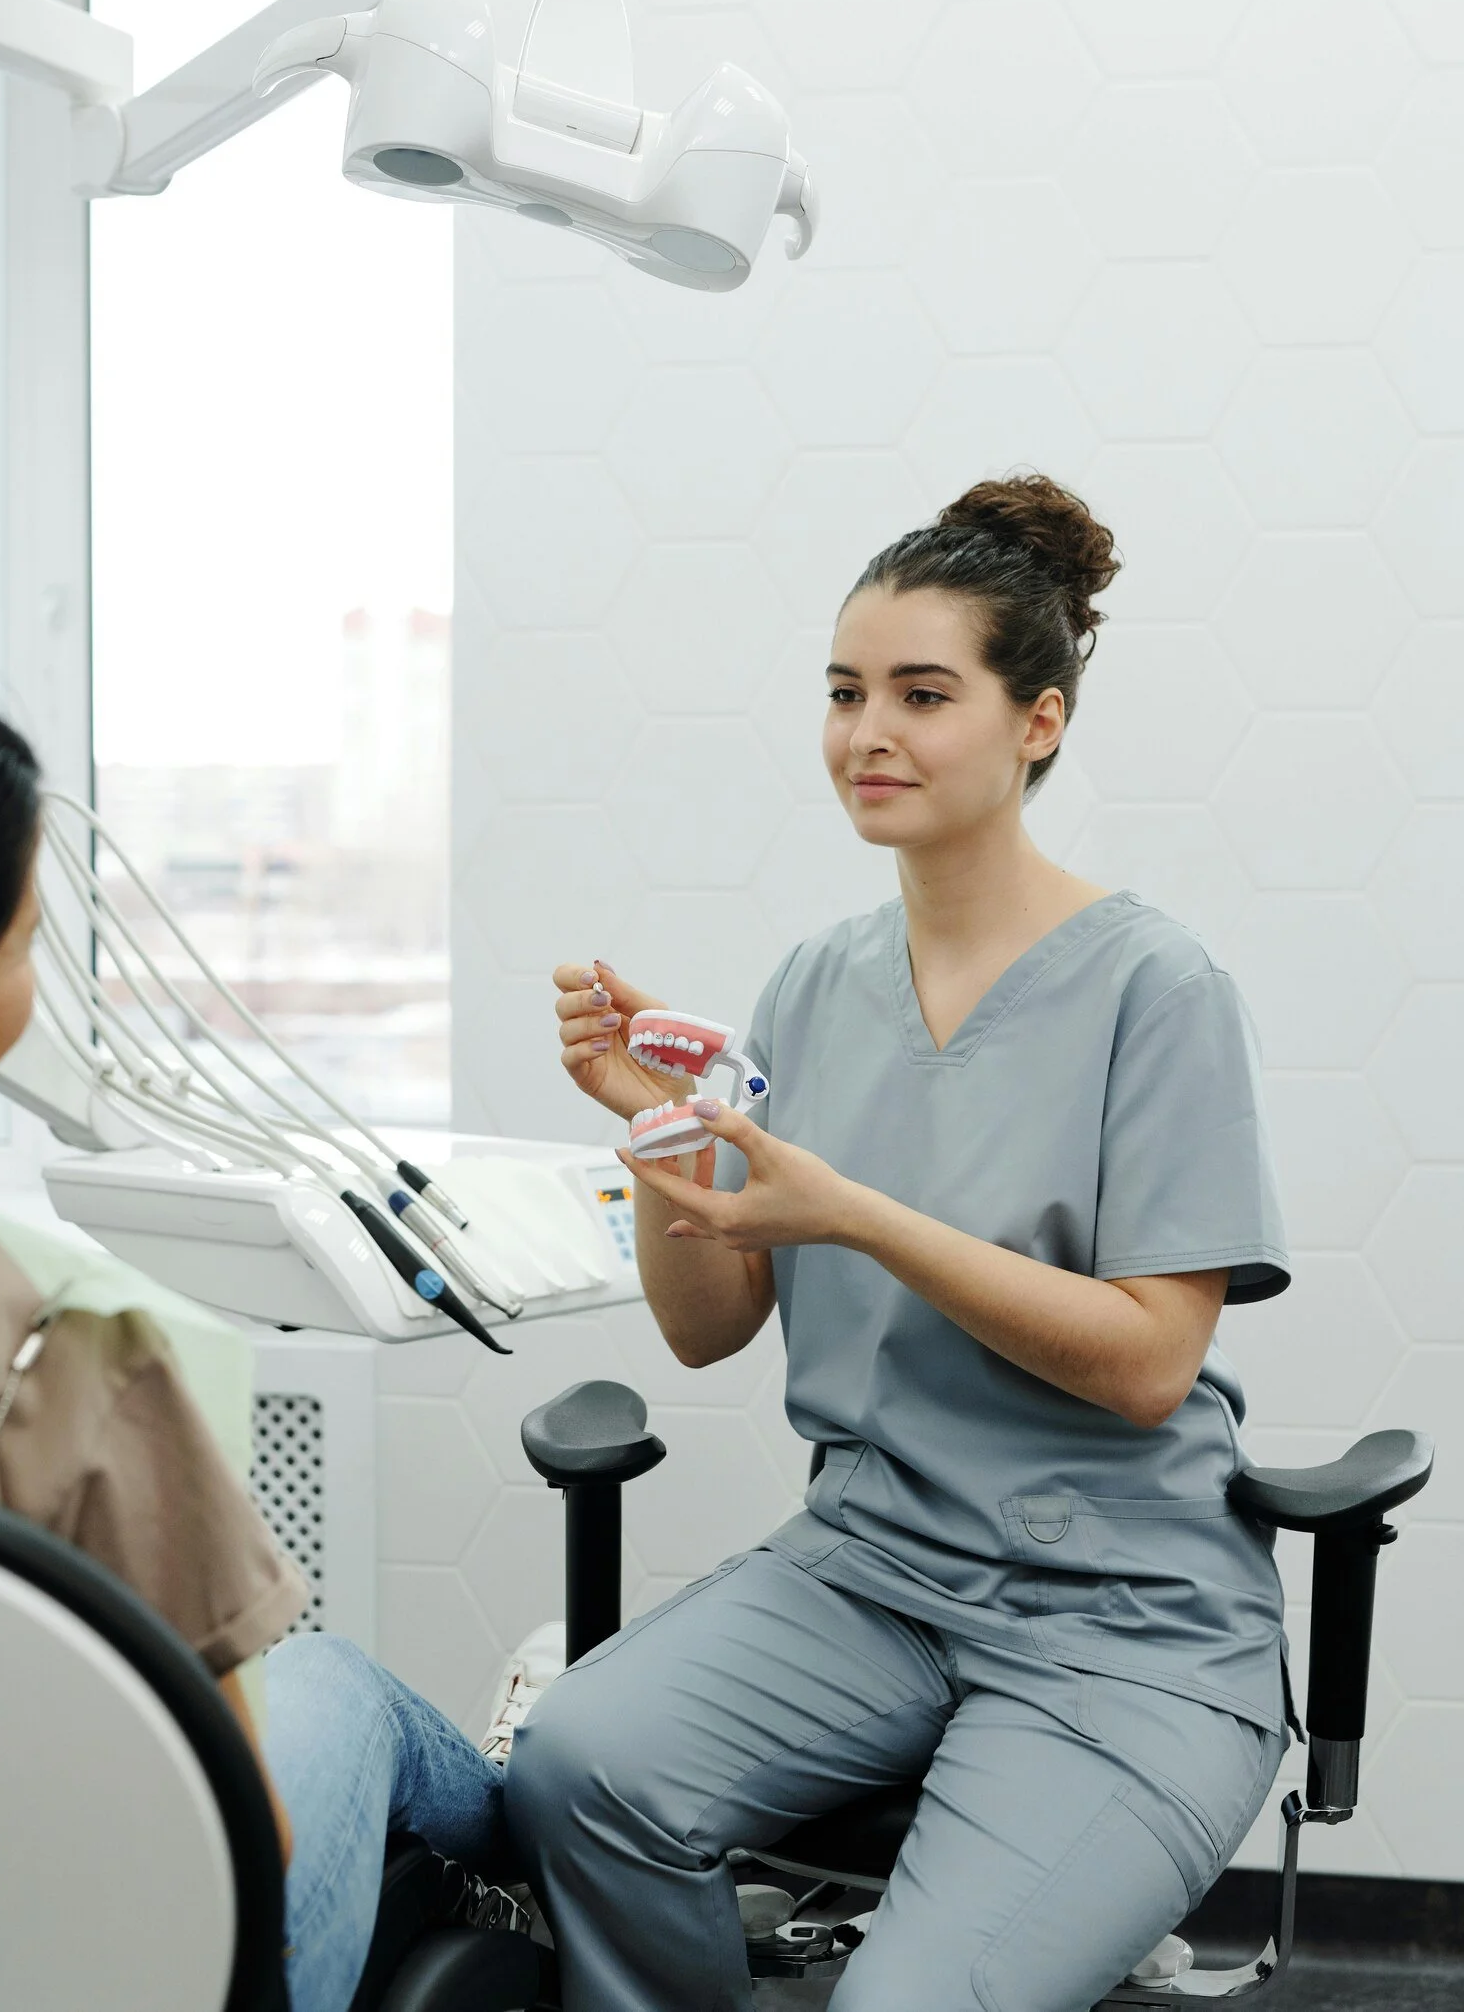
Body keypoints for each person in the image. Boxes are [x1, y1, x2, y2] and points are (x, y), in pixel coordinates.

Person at [515, 475, 1294, 2012]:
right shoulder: (816, 983)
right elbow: (706, 1322)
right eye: (844, 691)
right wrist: (669, 1132)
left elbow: (1149, 1363)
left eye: (923, 694)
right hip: (870, 1571)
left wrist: (855, 1210)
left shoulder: (1157, 988)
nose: (867, 732)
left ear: (1038, 722)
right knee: (579, 1767)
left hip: (1120, 1615)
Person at [0, 696, 515, 2012]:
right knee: (336, 1683)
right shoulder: (67, 1346)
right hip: (120, 1968)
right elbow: (237, 1836)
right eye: (33, 936)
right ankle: (521, 1850)